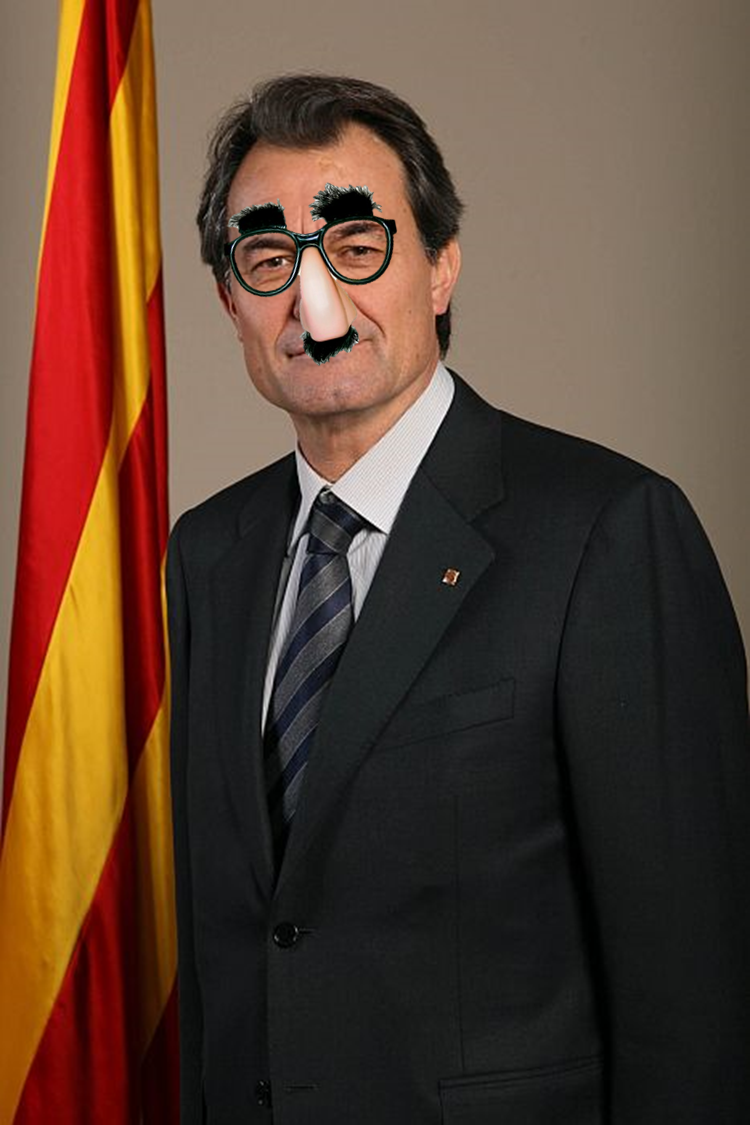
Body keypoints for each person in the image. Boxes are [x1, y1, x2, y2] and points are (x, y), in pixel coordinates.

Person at [166, 73, 750, 1125]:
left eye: (356, 246)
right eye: (270, 259)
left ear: (440, 268)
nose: (313, 300)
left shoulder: (610, 531)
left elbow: (695, 992)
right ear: (230, 303)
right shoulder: (209, 554)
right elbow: (232, 953)